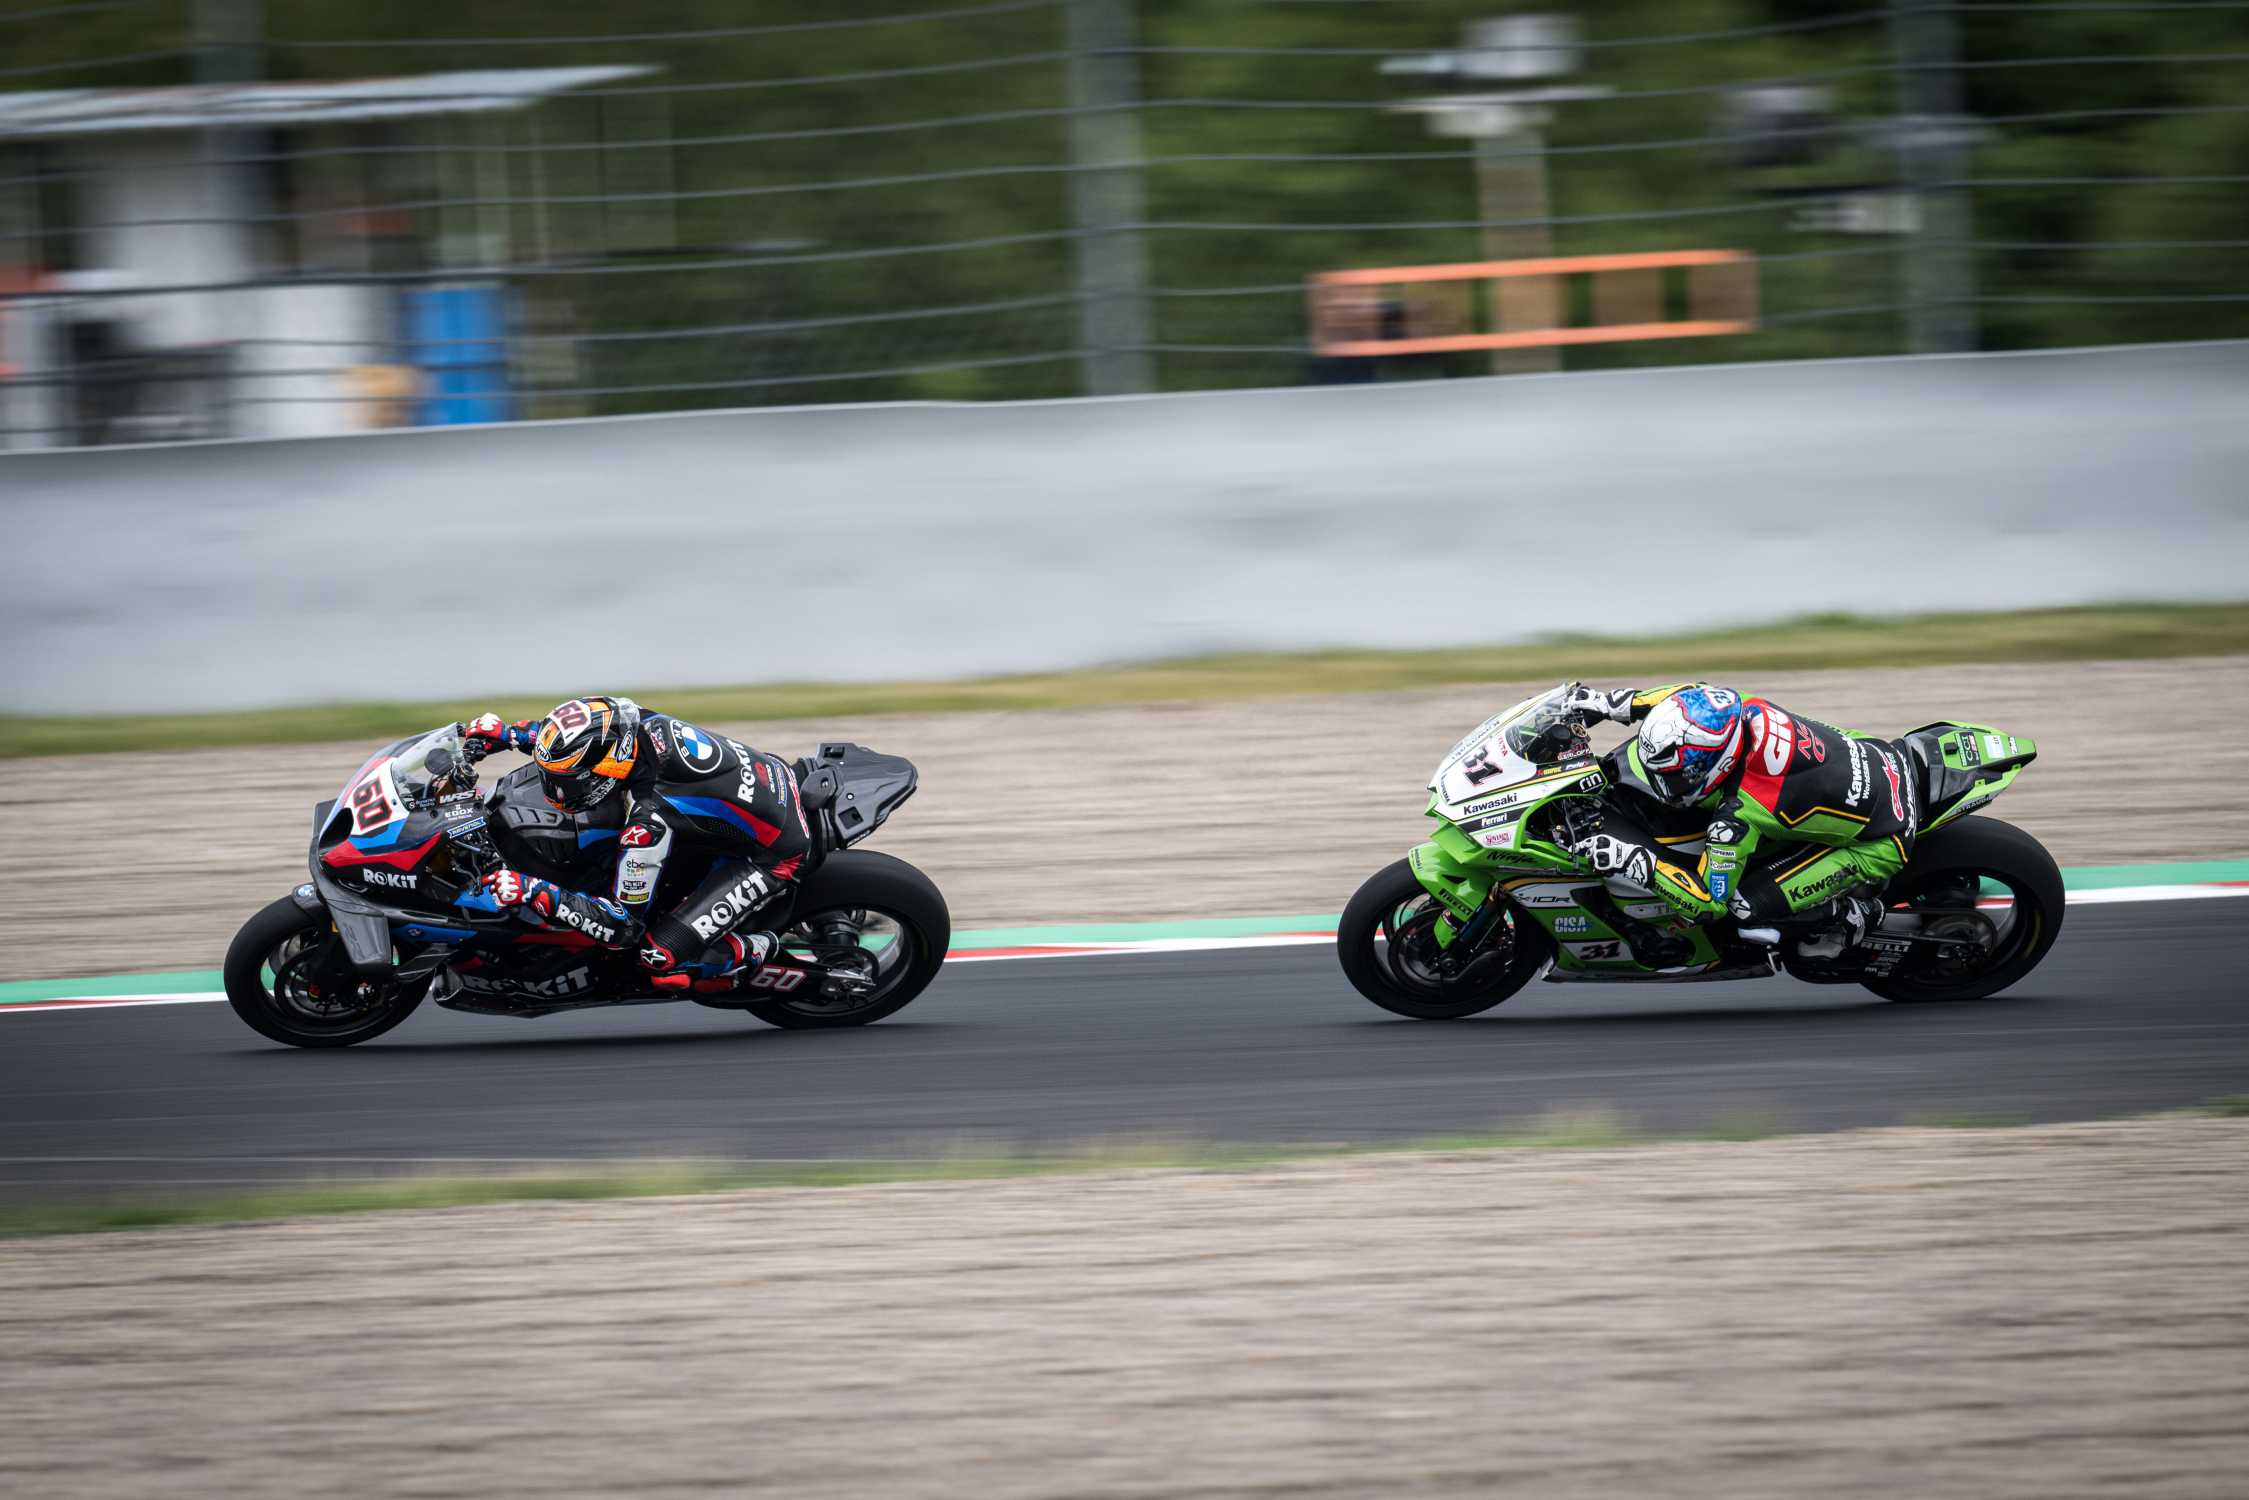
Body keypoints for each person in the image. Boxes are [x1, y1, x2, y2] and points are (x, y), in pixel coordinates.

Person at [458, 696, 812, 991]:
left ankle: (761, 947)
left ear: (609, 768)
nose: (557, 792)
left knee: (659, 960)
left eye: (566, 783)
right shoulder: (631, 721)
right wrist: (509, 734)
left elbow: (622, 927)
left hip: (773, 854)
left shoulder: (649, 820)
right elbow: (582, 740)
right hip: (770, 777)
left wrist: (533, 890)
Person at [1558, 682, 1920, 958]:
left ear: (1721, 763)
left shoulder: (1739, 814)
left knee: (1743, 908)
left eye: (1678, 777)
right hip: (1878, 756)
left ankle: (1852, 915)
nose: (1668, 785)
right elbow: (1682, 695)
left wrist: (1631, 860)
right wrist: (1607, 704)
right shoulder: (1733, 707)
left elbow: (1708, 903)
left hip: (1882, 838)